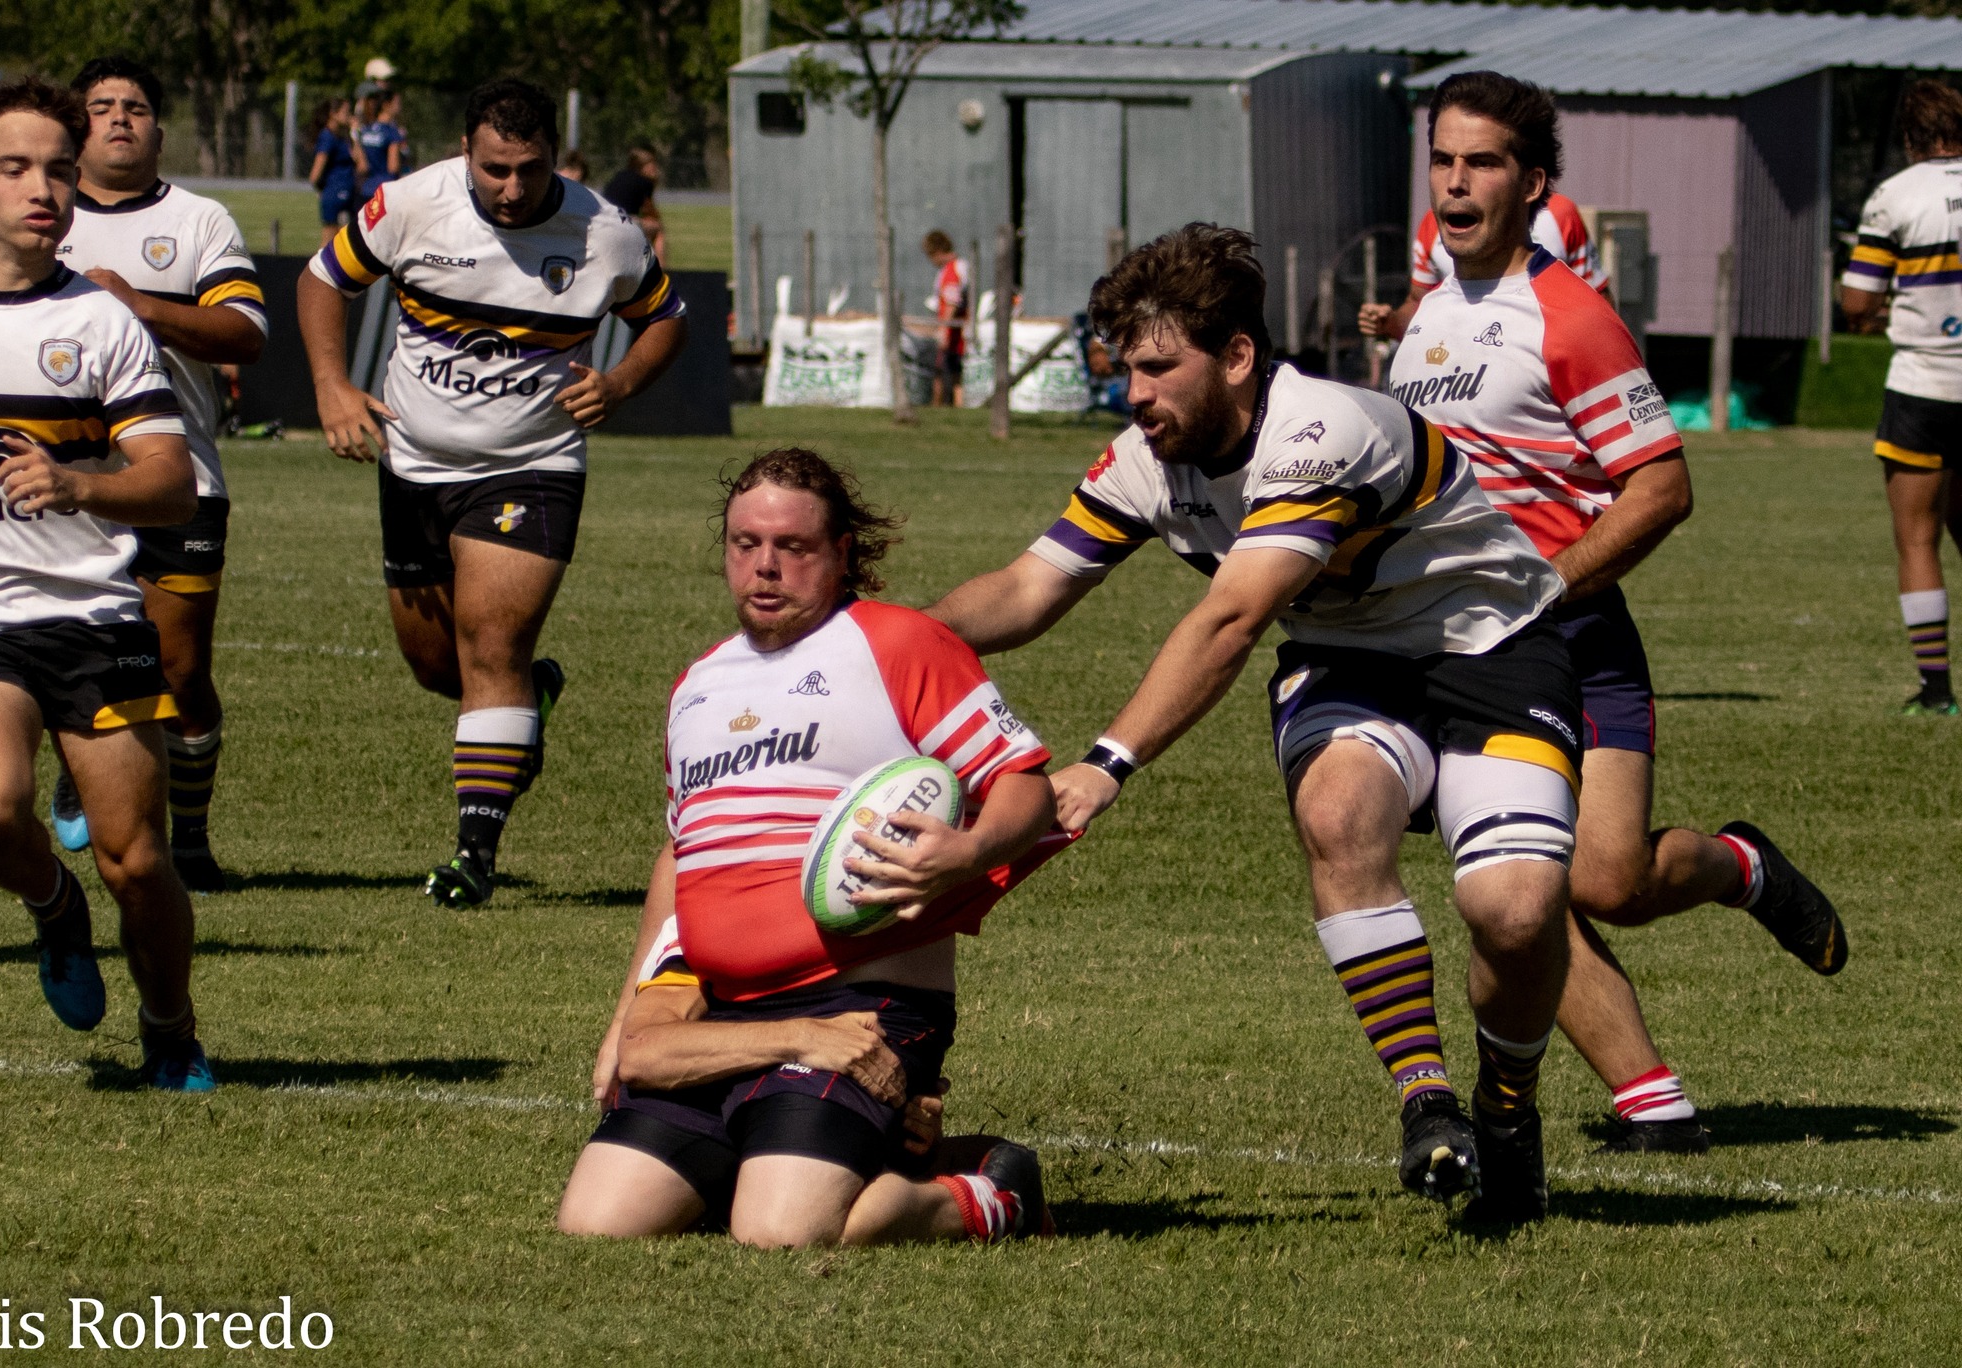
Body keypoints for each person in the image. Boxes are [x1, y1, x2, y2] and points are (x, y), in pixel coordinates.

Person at [929, 223, 1589, 1224]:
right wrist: (881, 635)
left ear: (1236, 356)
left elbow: (1231, 617)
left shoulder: (1318, 431)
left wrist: (1107, 763)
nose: (1133, 394)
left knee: (1512, 911)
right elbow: (1026, 592)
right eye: (1123, 370)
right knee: (1336, 815)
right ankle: (1426, 1106)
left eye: (1157, 369)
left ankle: (1506, 1108)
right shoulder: (1147, 458)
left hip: (1493, 647)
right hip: (1350, 659)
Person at [1379, 72, 1847, 1154]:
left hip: (1572, 636)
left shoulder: (1571, 319)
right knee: (1510, 878)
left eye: (1482, 162)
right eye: (1442, 160)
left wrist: (1549, 582)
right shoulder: (1427, 318)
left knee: (1605, 879)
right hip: (1451, 652)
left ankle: (1737, 865)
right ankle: (1650, 1101)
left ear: (1531, 183)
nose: (1455, 182)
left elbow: (1661, 485)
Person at [557, 449, 1065, 1245]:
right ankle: (791, 1143)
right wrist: (628, 1015)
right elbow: (680, 858)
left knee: (783, 1233)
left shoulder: (898, 643)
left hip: (863, 1006)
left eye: (792, 547)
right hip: (723, 1013)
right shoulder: (698, 686)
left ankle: (991, 1190)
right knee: (599, 1223)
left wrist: (964, 855)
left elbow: (1024, 784)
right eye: (744, 544)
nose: (765, 566)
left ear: (841, 554)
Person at [300, 78, 688, 907]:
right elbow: (323, 279)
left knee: (490, 643)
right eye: (495, 169)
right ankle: (530, 697)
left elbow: (667, 316)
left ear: (555, 154)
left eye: (531, 169)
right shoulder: (409, 203)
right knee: (439, 666)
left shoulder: (604, 234)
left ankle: (474, 855)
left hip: (532, 464)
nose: (512, 189)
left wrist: (618, 384)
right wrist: (332, 384)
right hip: (412, 462)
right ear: (465, 153)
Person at [0, 78, 213, 1090]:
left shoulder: (104, 322)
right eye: (15, 167)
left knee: (136, 860)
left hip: (93, 615)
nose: (43, 188)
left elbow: (172, 484)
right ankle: (52, 905)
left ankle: (170, 1031)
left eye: (57, 168)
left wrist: (80, 482)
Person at [53, 56, 268, 893]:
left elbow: (245, 331)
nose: (118, 119)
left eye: (135, 107)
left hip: (179, 477)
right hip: (59, 481)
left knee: (179, 670)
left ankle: (191, 840)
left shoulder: (197, 218)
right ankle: (80, 765)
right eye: (100, 107)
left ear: (159, 128)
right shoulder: (42, 212)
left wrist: (137, 302)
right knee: (66, 652)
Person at [1842, 79, 1962, 716]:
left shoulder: (1896, 195)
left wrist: (1873, 309)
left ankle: (1937, 691)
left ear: (1913, 137)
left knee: (1919, 540)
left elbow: (1858, 300)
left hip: (1926, 385)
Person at [1361, 184, 1607, 345]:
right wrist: (1391, 322)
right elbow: (1418, 305)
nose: (1458, 177)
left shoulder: (1559, 213)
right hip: (1457, 371)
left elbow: (1601, 303)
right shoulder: (1434, 223)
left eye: (1481, 161)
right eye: (1444, 160)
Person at [924, 230, 970, 407]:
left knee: (944, 371)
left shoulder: (952, 270)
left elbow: (951, 302)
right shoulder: (959, 267)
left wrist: (943, 328)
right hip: (955, 329)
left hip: (954, 331)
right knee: (954, 371)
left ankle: (939, 405)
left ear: (937, 252)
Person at [307, 99, 356, 245]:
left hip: (346, 193)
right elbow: (315, 174)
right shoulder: (327, 137)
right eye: (346, 112)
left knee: (344, 243)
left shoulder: (342, 137)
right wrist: (325, 190)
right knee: (330, 243)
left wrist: (354, 132)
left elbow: (360, 163)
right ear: (333, 114)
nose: (349, 116)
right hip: (335, 193)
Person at [601, 148, 664, 263]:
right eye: (652, 164)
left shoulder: (618, 176)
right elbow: (650, 212)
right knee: (657, 229)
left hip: (603, 221)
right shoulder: (645, 182)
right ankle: (663, 273)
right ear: (642, 166)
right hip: (622, 221)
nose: (655, 168)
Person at [352, 92, 404, 206]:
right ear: (386, 105)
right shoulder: (392, 132)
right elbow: (393, 167)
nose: (400, 107)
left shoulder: (365, 130)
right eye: (397, 103)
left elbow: (359, 163)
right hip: (386, 191)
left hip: (365, 190)